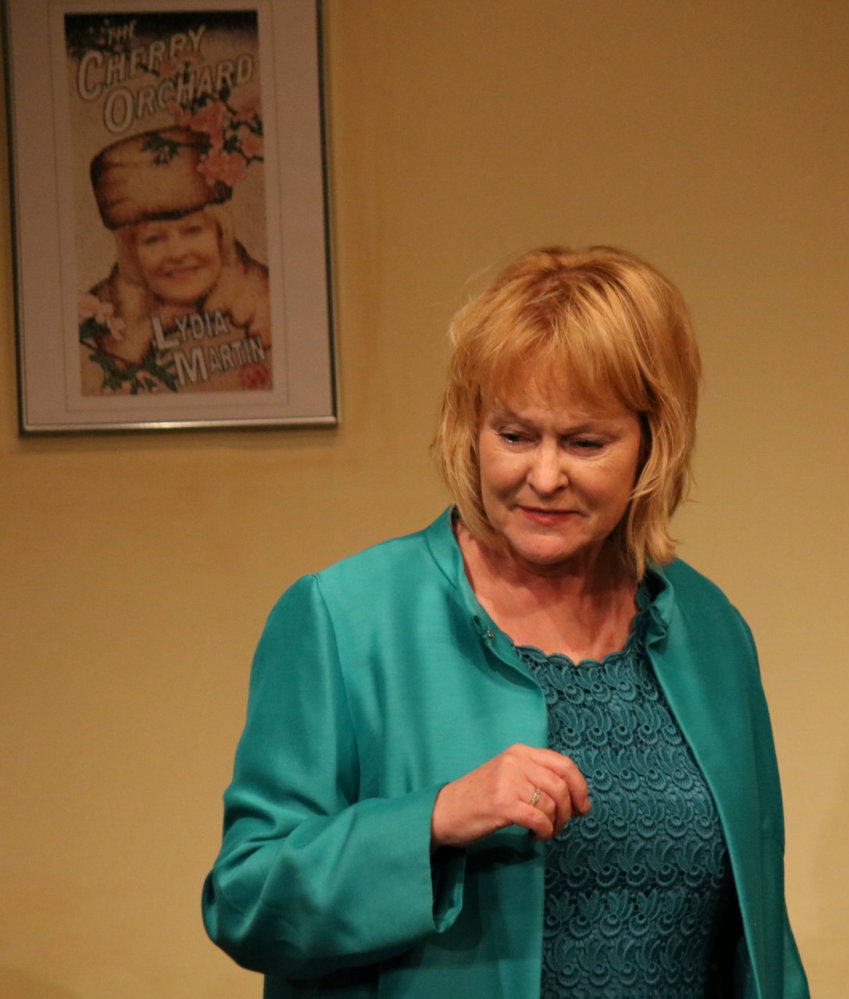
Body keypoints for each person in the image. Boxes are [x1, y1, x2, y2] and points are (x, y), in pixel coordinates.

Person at [202, 246, 810, 998]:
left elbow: (761, 937)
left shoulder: (709, 630)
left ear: (653, 443)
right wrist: (434, 819)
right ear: (471, 429)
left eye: (586, 442)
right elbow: (246, 899)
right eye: (515, 436)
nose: (544, 476)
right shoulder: (344, 618)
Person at [83, 126, 270, 392]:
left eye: (193, 231)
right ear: (131, 254)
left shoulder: (271, 311)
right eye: (154, 239)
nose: (178, 253)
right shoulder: (92, 335)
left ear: (221, 234)